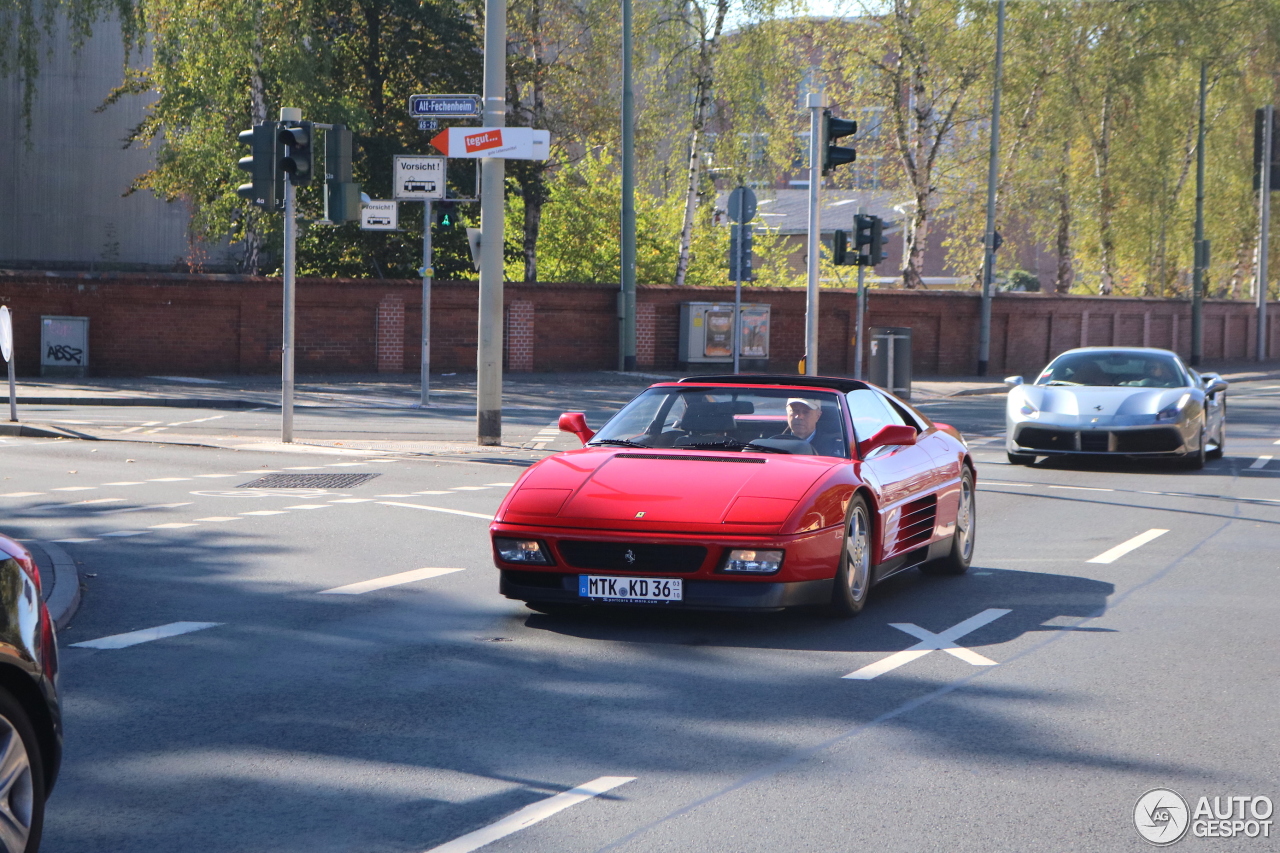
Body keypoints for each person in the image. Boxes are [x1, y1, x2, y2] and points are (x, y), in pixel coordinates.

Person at [769, 397, 839, 455]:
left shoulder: (834, 447)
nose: (799, 416)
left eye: (806, 412)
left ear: (818, 416)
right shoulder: (772, 443)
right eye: (794, 411)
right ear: (787, 412)